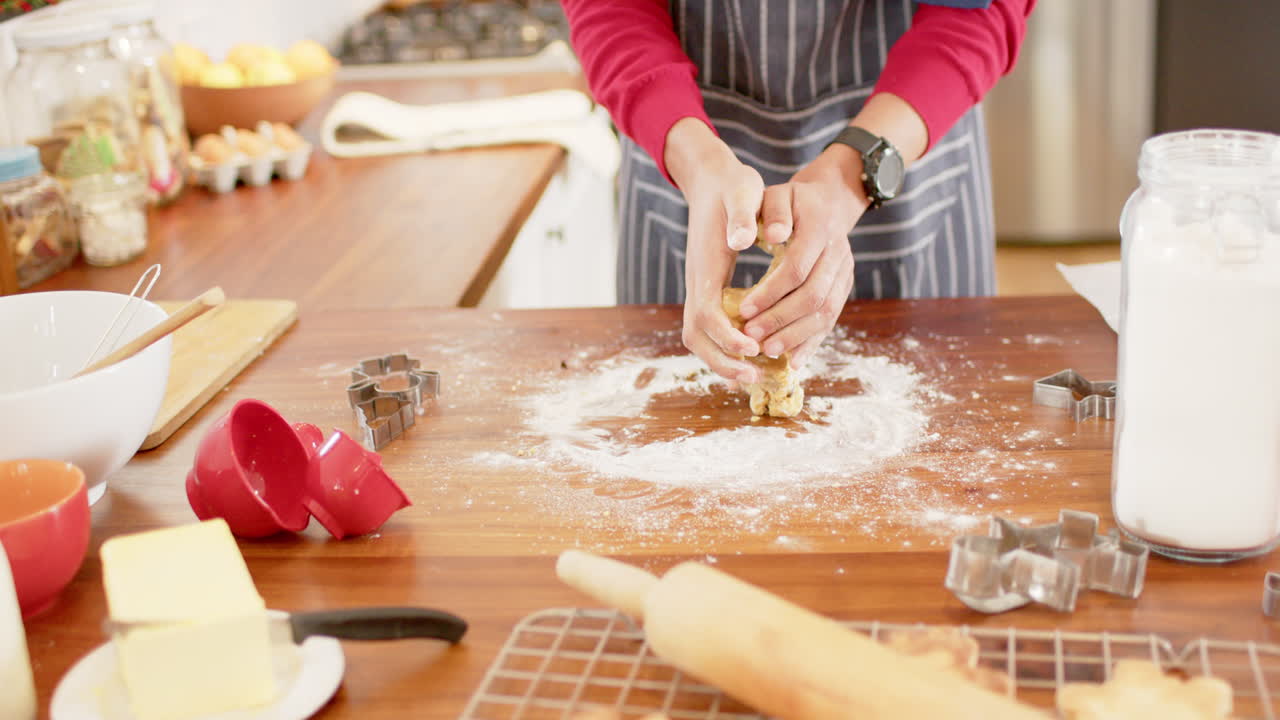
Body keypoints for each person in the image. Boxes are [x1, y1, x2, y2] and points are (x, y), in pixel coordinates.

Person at [561, 0, 1035, 385]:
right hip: (683, 152)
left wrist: (854, 173)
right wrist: (698, 163)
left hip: (909, 138)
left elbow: (978, 10)